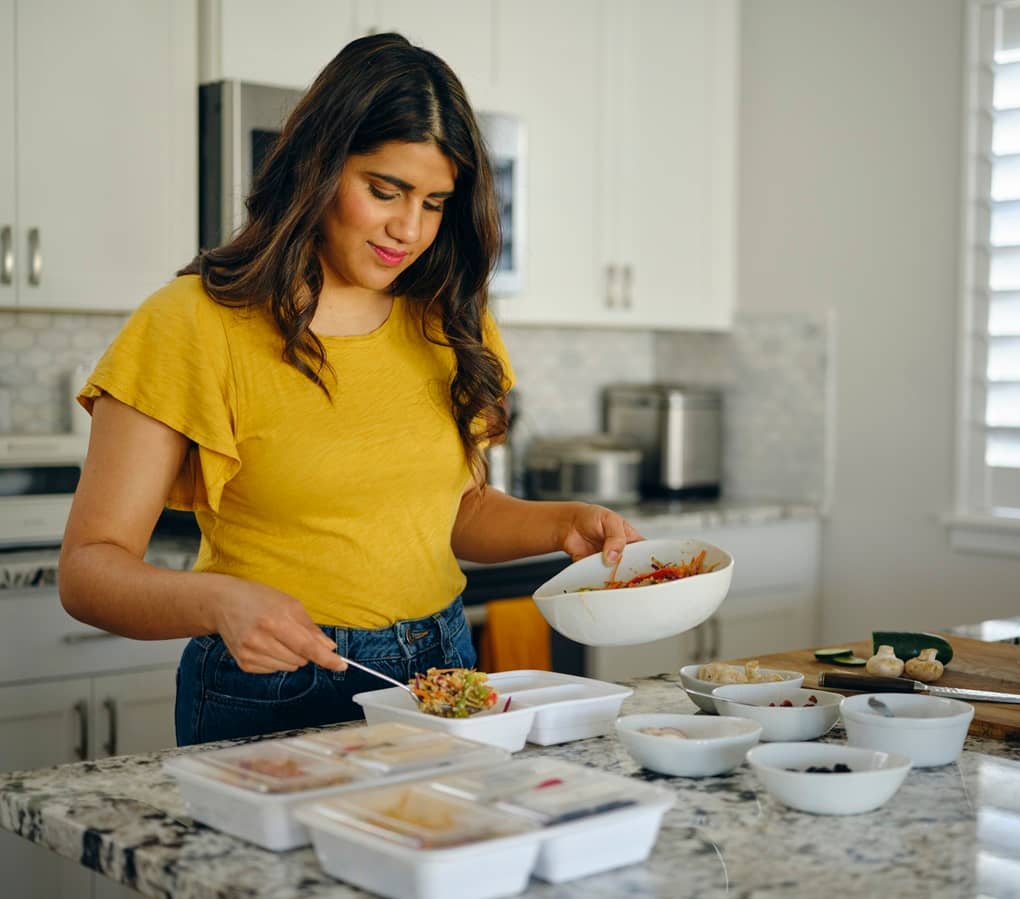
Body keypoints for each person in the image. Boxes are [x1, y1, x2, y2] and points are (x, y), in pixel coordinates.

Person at [57, 33, 643, 746]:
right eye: (383, 190)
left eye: (434, 202)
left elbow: (454, 513)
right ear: (318, 166)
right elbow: (88, 570)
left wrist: (559, 523)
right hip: (273, 691)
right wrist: (218, 601)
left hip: (441, 672)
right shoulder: (190, 324)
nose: (409, 228)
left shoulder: (450, 318)